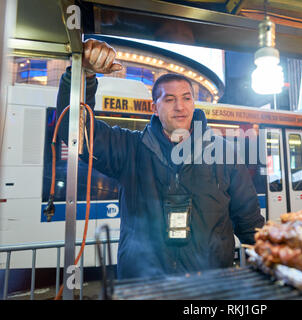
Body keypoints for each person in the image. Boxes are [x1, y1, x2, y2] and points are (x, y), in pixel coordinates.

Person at [56, 39, 265, 279]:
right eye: (169, 99)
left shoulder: (224, 153)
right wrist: (84, 76)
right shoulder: (130, 148)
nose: (180, 107)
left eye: (187, 98)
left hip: (208, 285)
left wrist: (276, 267)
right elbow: (74, 133)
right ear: (154, 108)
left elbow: (250, 221)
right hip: (143, 285)